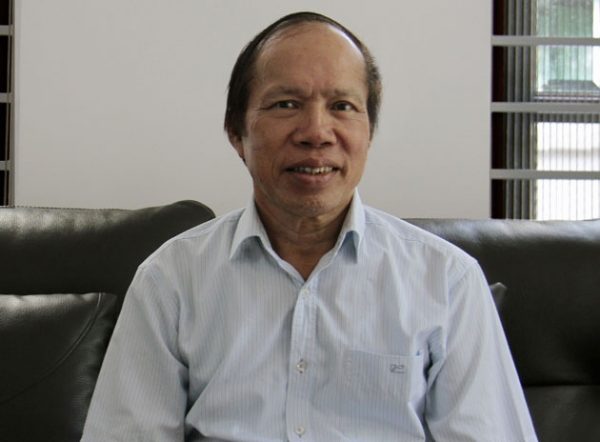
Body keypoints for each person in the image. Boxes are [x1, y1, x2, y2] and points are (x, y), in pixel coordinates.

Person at [81, 11, 538, 441]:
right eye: (286, 104)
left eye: (342, 106)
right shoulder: (171, 280)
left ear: (368, 133)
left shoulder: (448, 282)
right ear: (237, 133)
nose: (316, 132)